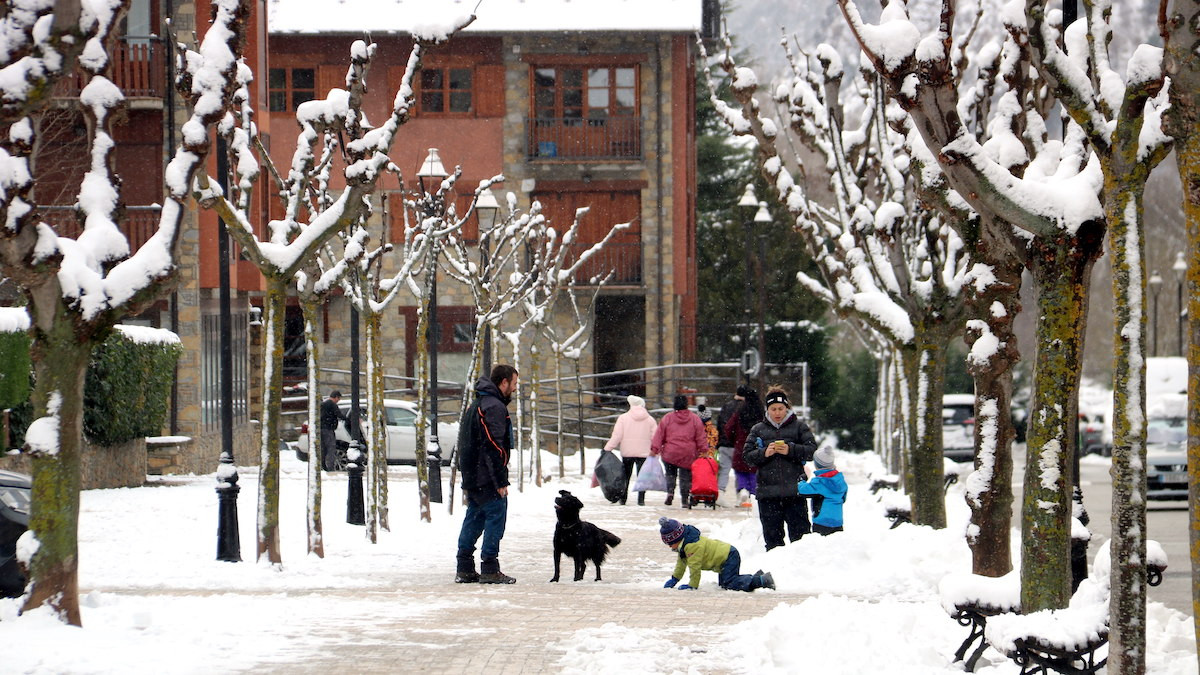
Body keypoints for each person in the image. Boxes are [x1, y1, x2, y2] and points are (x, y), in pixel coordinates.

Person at [455, 364, 519, 584]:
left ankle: (464, 566)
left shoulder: (478, 404)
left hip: (474, 475)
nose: (515, 389)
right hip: (487, 476)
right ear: (504, 383)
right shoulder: (494, 407)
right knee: (495, 517)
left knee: (474, 517)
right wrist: (500, 480)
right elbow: (494, 446)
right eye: (514, 384)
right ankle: (490, 568)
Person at [743, 385, 818, 550]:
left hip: (795, 493)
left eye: (780, 408)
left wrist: (791, 449)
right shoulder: (758, 430)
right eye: (773, 409)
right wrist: (764, 453)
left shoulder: (799, 427)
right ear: (767, 410)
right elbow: (747, 457)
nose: (777, 413)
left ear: (787, 408)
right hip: (768, 495)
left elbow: (812, 451)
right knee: (773, 542)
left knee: (801, 541)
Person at [658, 517, 774, 592]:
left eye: (669, 544)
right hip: (726, 556)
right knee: (725, 583)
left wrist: (692, 585)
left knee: (729, 584)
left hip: (728, 556)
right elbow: (681, 563)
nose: (669, 547)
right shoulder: (684, 545)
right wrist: (675, 579)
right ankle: (756, 577)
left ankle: (761, 581)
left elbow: (695, 567)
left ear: (676, 539)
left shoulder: (692, 546)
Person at [650, 395, 708, 508]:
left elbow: (659, 435)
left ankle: (670, 492)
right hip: (688, 453)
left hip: (670, 452)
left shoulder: (667, 418)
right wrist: (703, 449)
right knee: (685, 477)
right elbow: (700, 436)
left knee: (670, 474)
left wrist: (655, 449)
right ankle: (685, 499)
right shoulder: (694, 418)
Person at [604, 394, 658, 506]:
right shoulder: (650, 420)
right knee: (642, 477)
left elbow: (617, 435)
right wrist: (656, 451)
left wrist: (608, 448)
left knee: (626, 476)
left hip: (627, 452)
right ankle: (641, 500)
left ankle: (623, 499)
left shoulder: (623, 418)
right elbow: (655, 437)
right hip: (644, 453)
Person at [724, 389, 763, 507]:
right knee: (753, 472)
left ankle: (742, 489)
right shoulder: (761, 413)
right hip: (756, 446)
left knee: (740, 472)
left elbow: (728, 427)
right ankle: (752, 494)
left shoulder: (740, 411)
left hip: (741, 445)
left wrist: (734, 439)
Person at [798, 445, 847, 535]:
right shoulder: (840, 480)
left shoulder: (819, 482)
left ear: (817, 465)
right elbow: (843, 498)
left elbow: (802, 490)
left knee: (822, 546)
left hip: (822, 522)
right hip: (838, 521)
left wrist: (802, 480)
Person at [715, 386, 747, 494]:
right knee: (740, 470)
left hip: (724, 444)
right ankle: (741, 492)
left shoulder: (727, 406)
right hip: (739, 444)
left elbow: (720, 424)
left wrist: (721, 440)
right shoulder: (746, 408)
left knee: (724, 470)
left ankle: (721, 491)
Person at [319, 390, 347, 471]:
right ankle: (330, 467)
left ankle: (323, 466)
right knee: (331, 448)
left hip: (322, 428)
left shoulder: (324, 404)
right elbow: (339, 415)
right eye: (338, 399)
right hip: (328, 429)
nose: (338, 401)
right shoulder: (332, 405)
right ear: (336, 397)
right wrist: (349, 420)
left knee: (323, 449)